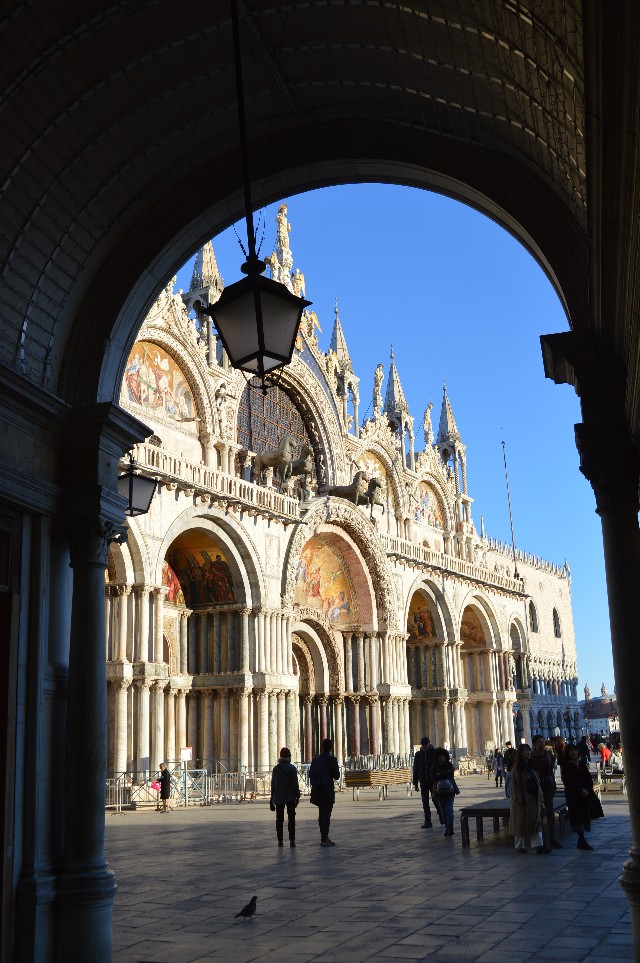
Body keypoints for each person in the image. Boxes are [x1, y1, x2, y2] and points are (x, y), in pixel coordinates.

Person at [561, 743, 604, 850]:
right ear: (567, 753)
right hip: (574, 796)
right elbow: (568, 782)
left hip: (584, 795)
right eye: (571, 751)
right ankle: (581, 839)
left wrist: (587, 789)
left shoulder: (581, 764)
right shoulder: (566, 766)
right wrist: (580, 789)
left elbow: (588, 778)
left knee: (584, 815)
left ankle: (582, 840)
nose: (574, 752)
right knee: (577, 816)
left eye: (575, 750)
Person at [509, 744, 547, 854]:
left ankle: (538, 845)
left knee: (536, 822)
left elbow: (537, 781)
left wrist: (540, 797)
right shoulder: (517, 768)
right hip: (521, 800)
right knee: (520, 823)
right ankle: (520, 846)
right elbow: (514, 785)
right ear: (521, 753)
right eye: (526, 751)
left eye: (529, 751)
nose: (529, 753)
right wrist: (518, 799)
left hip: (533, 798)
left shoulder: (531, 766)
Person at [531, 734, 561, 849]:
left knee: (550, 812)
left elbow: (551, 770)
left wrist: (553, 783)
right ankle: (540, 840)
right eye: (539, 742)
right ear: (534, 744)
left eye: (542, 741)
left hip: (548, 785)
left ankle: (552, 837)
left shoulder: (547, 754)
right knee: (539, 813)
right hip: (537, 787)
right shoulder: (532, 757)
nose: (542, 743)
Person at [309, 738, 340, 846]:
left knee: (321, 813)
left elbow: (310, 775)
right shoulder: (332, 760)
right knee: (326, 814)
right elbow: (337, 776)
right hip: (327, 789)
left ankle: (323, 836)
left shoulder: (316, 760)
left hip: (318, 790)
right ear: (331, 748)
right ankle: (324, 838)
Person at [269, 747, 301, 847]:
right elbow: (295, 784)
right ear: (289, 756)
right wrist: (297, 796)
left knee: (279, 819)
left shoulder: (276, 769)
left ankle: (280, 840)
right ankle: (292, 840)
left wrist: (271, 799)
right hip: (290, 796)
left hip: (279, 796)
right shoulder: (292, 768)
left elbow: (273, 784)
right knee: (291, 819)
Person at [430, 747, 460, 837]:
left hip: (450, 791)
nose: (441, 758)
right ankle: (447, 827)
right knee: (443, 811)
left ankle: (449, 829)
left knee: (449, 810)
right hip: (439, 792)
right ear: (437, 757)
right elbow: (433, 777)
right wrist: (442, 774)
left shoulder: (449, 765)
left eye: (443, 756)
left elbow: (450, 775)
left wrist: (440, 774)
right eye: (440, 756)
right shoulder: (434, 766)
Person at [412, 736, 438, 827]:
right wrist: (415, 783)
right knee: (425, 801)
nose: (424, 746)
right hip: (423, 781)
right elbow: (415, 769)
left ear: (428, 744)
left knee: (435, 799)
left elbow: (438, 766)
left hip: (432, 781)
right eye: (422, 744)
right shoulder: (418, 755)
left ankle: (441, 814)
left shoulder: (434, 753)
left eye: (425, 744)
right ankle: (428, 821)